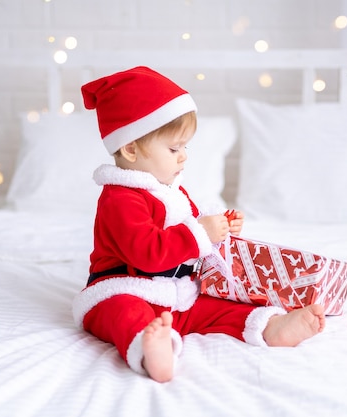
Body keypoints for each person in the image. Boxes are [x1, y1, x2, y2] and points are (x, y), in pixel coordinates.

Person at [72, 66, 325, 383]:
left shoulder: (169, 191)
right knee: (123, 314)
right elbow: (148, 252)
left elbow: (193, 226)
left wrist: (221, 227)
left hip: (174, 292)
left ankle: (269, 326)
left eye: (185, 147)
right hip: (123, 287)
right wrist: (200, 233)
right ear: (131, 148)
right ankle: (149, 348)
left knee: (215, 307)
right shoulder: (120, 199)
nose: (183, 157)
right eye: (174, 148)